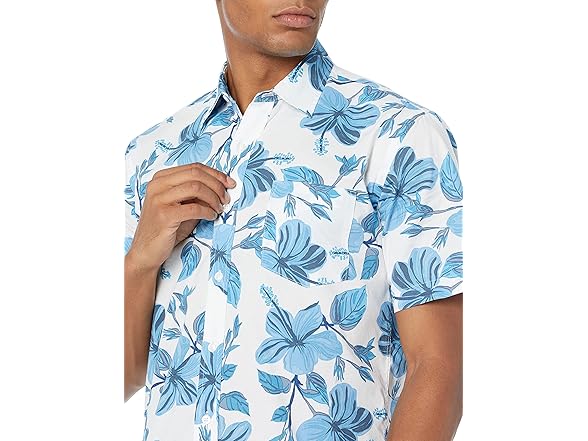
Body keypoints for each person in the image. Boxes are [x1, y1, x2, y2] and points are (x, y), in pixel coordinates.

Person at [124, 1, 464, 440]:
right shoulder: (151, 153)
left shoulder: (398, 136)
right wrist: (139, 263)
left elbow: (439, 368)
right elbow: (128, 376)